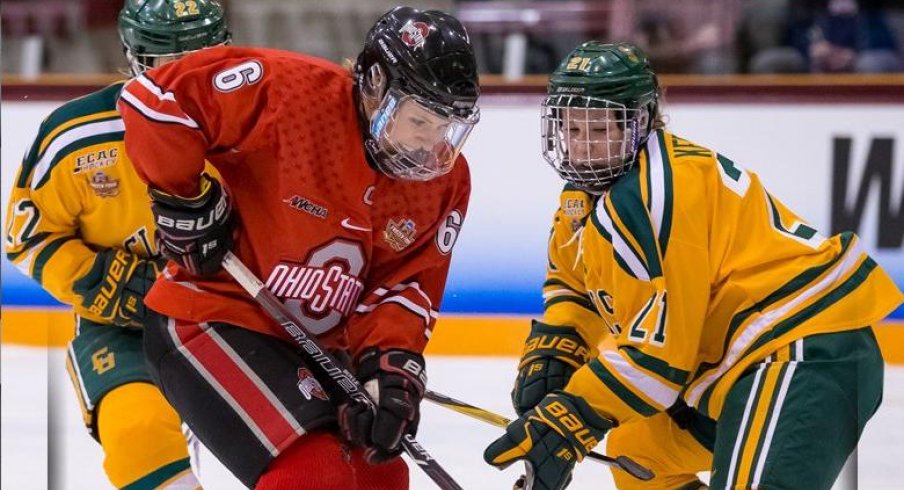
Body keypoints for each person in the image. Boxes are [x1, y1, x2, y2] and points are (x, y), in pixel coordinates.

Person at [483, 41, 903, 490]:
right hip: (737, 369)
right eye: (573, 129)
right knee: (636, 451)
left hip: (801, 356)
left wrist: (573, 417)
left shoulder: (656, 195)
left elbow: (660, 363)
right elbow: (576, 286)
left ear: (639, 123)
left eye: (601, 130)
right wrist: (560, 344)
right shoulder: (583, 199)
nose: (585, 147)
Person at [116, 6, 479, 489]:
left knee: (380, 476)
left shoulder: (446, 181)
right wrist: (184, 196)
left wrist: (388, 364)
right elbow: (158, 98)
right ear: (374, 86)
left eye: (446, 127)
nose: (431, 144)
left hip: (313, 346)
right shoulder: (290, 93)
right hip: (213, 316)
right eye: (420, 121)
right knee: (315, 475)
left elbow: (405, 286)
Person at [3, 1, 230, 488]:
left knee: (317, 452)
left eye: (200, 61)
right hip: (127, 326)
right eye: (165, 63)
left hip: (243, 316)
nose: (183, 80)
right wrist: (95, 281)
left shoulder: (265, 129)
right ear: (134, 58)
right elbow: (27, 237)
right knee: (137, 430)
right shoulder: (74, 137)